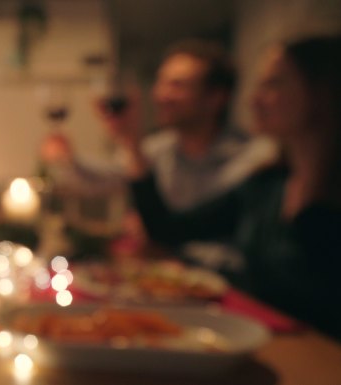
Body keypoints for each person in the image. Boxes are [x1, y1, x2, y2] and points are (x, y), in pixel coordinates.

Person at [123, 35, 341, 339]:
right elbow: (168, 230)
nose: (255, 100)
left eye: (274, 84)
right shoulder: (266, 186)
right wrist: (131, 142)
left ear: (323, 91)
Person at [41, 39, 276, 209]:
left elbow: (192, 225)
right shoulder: (161, 148)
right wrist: (67, 159)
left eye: (177, 85)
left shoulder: (251, 159)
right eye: (161, 82)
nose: (160, 95)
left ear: (216, 98)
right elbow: (108, 178)